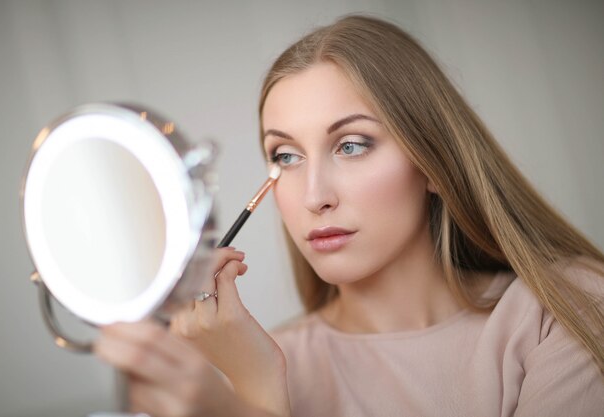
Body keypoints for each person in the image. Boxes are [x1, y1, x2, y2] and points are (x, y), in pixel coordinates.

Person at [94, 15, 604, 417]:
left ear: (431, 160)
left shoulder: (567, 309)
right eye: (286, 157)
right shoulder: (241, 369)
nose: (314, 196)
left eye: (352, 145)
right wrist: (255, 395)